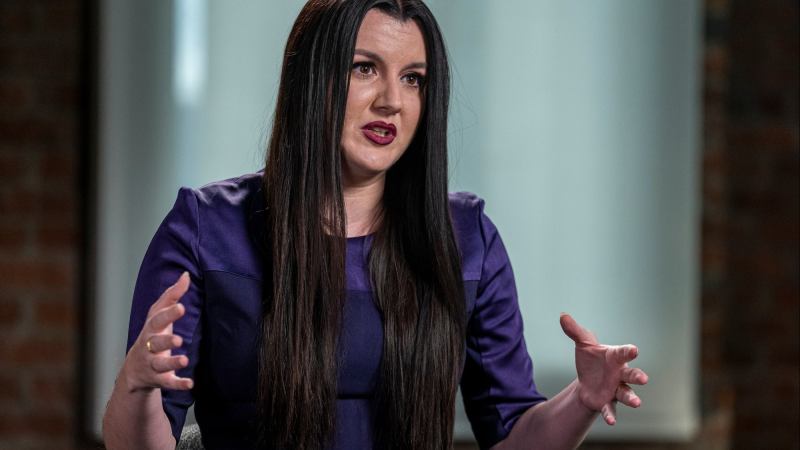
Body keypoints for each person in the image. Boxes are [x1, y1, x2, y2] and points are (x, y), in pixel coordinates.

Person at [102, 1, 649, 449]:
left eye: (413, 79)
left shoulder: (467, 240)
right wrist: (137, 386)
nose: (392, 102)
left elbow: (512, 435)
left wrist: (582, 398)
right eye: (365, 68)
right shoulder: (207, 228)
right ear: (311, 77)